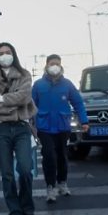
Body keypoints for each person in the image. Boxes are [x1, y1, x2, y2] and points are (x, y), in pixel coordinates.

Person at [0, 42, 40, 215]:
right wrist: (11, 102)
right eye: (1, 53)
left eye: (8, 52)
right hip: (0, 130)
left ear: (13, 54)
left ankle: (28, 210)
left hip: (22, 128)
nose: (5, 55)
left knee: (25, 170)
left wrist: (2, 100)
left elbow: (24, 97)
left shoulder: (24, 75)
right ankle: (15, 214)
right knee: (7, 175)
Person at [32, 54, 89, 203]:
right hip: (44, 128)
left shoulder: (67, 84)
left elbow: (78, 103)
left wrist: (84, 121)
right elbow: (31, 106)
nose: (54, 66)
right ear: (46, 66)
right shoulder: (38, 85)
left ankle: (62, 183)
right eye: (52, 63)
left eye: (57, 63)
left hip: (63, 127)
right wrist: (30, 125)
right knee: (49, 156)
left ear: (61, 65)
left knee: (62, 156)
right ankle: (50, 187)